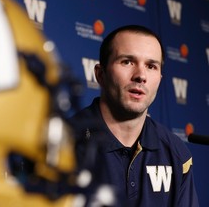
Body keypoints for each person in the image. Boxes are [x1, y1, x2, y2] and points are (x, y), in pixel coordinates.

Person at [69, 25, 199, 207]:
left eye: (151, 66)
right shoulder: (62, 143)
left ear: (159, 80)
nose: (140, 76)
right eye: (127, 62)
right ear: (100, 74)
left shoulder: (176, 153)